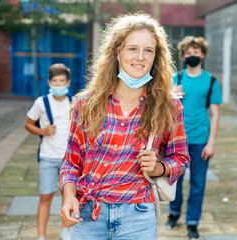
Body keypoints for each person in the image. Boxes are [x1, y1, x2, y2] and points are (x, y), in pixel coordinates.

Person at [59, 13, 190, 240]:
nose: (140, 57)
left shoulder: (169, 106)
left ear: (156, 57)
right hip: (88, 215)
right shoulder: (86, 103)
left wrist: (159, 168)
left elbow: (181, 158)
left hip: (138, 217)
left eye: (148, 50)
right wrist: (68, 196)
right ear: (117, 52)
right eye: (132, 49)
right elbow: (71, 163)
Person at [167, 36, 222, 239]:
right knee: (175, 181)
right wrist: (172, 95)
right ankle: (174, 213)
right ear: (182, 56)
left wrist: (212, 142)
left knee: (198, 184)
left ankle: (192, 222)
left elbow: (215, 113)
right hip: (177, 140)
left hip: (200, 141)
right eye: (188, 53)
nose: (192, 56)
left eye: (196, 53)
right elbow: (166, 107)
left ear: (203, 55)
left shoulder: (212, 81)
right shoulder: (176, 78)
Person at [25, 63, 72, 240]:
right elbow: (28, 124)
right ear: (49, 82)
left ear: (68, 82)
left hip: (69, 160)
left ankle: (65, 229)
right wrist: (43, 131)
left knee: (67, 196)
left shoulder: (74, 102)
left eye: (62, 81)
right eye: (55, 81)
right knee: (46, 196)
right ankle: (41, 235)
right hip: (48, 157)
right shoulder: (41, 102)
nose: (58, 85)